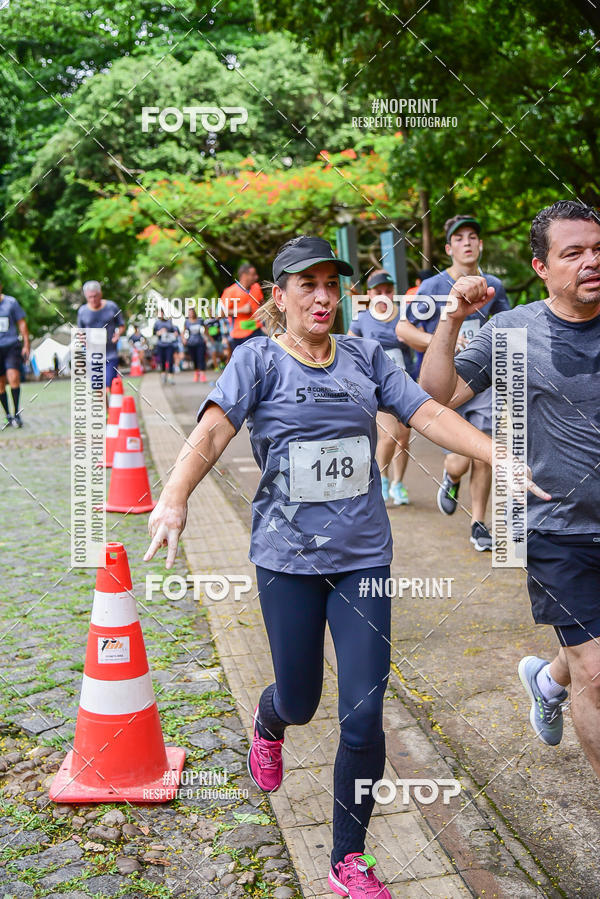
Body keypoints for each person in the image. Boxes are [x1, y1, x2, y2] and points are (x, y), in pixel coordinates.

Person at [144, 234, 542, 897]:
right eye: (308, 285)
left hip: (364, 558)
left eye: (333, 284)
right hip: (286, 561)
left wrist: (497, 453)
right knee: (300, 700)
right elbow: (213, 428)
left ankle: (347, 857)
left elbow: (427, 409)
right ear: (281, 296)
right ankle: (270, 723)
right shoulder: (257, 359)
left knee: (363, 715)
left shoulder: (364, 355)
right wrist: (175, 496)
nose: (324, 296)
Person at [418, 200, 600, 775]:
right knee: (596, 669)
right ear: (540, 266)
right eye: (572, 253)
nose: (590, 262)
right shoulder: (513, 331)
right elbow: (437, 397)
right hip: (554, 527)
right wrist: (449, 321)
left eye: (598, 250)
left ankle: (547, 681)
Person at [395, 215, 510, 551]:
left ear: (481, 244)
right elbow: (402, 329)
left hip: (483, 384)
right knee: (460, 457)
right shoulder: (432, 287)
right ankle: (452, 476)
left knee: (485, 453)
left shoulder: (494, 287)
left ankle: (478, 522)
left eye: (473, 236)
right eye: (459, 238)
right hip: (446, 388)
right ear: (448, 249)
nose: (468, 242)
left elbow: (506, 328)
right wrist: (442, 341)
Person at [348, 270, 412, 505]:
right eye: (378, 291)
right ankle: (382, 478)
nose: (384, 295)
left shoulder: (404, 317)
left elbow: (420, 343)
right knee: (390, 435)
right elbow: (350, 349)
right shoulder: (362, 318)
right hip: (377, 386)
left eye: (388, 291)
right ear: (370, 294)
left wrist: (410, 337)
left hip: (404, 382)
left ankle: (398, 483)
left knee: (404, 437)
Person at [76, 281, 125, 398]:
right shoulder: (82, 311)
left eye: (95, 296)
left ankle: (115, 410)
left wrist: (118, 334)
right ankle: (106, 414)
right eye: (89, 297)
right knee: (98, 389)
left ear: (100, 294)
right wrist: (83, 340)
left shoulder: (111, 306)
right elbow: (80, 331)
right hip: (93, 356)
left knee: (110, 385)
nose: (93, 300)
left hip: (110, 354)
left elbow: (122, 325)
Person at [0, 284, 30, 428]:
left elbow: (22, 324)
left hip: (11, 345)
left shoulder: (11, 303)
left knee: (13, 377)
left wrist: (26, 344)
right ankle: (8, 415)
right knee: (0, 385)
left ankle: (17, 413)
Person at [221, 263, 265, 350]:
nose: (256, 277)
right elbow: (221, 313)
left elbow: (262, 305)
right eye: (253, 275)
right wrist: (241, 310)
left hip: (256, 331)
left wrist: (264, 324)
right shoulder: (230, 291)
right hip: (239, 335)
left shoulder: (256, 287)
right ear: (244, 276)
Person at [153, 314, 180, 384]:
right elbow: (154, 333)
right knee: (162, 361)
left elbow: (175, 332)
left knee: (170, 361)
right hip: (160, 345)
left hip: (169, 345)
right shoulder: (156, 323)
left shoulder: (169, 322)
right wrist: (159, 332)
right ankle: (163, 376)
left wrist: (174, 333)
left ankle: (170, 377)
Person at [184, 308, 207, 382]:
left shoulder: (200, 320)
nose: (190, 314)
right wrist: (183, 339)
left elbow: (206, 329)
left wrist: (206, 337)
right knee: (194, 359)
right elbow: (183, 331)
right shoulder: (186, 322)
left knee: (201, 358)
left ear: (194, 313)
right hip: (191, 343)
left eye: (191, 312)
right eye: (189, 313)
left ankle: (202, 374)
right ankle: (196, 373)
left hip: (200, 342)